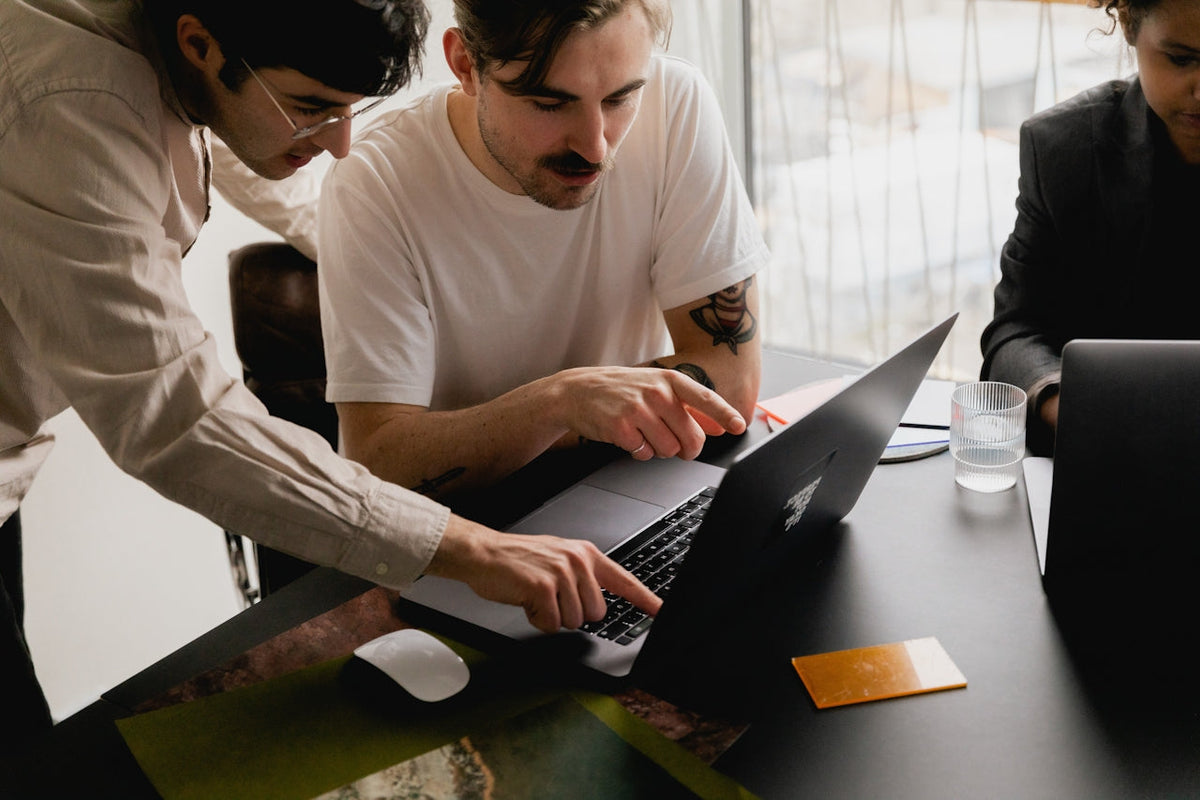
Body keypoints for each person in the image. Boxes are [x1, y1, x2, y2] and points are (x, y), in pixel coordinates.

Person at [0, 0, 663, 738]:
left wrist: (386, 251)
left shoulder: (196, 46)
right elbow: (176, 421)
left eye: (353, 109)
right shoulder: (72, 105)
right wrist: (472, 549)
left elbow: (262, 138)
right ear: (199, 42)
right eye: (315, 107)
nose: (343, 142)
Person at [317, 0, 766, 501]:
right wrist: (559, 403)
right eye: (550, 104)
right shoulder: (375, 180)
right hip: (472, 521)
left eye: (620, 99)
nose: (596, 147)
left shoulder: (675, 103)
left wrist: (572, 411)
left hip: (631, 480)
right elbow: (378, 463)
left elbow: (731, 382)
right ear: (465, 64)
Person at [980, 0, 1200, 455]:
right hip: (1110, 461)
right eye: (1182, 59)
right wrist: (1070, 407)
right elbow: (1015, 332)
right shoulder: (1064, 151)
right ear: (1128, 26)